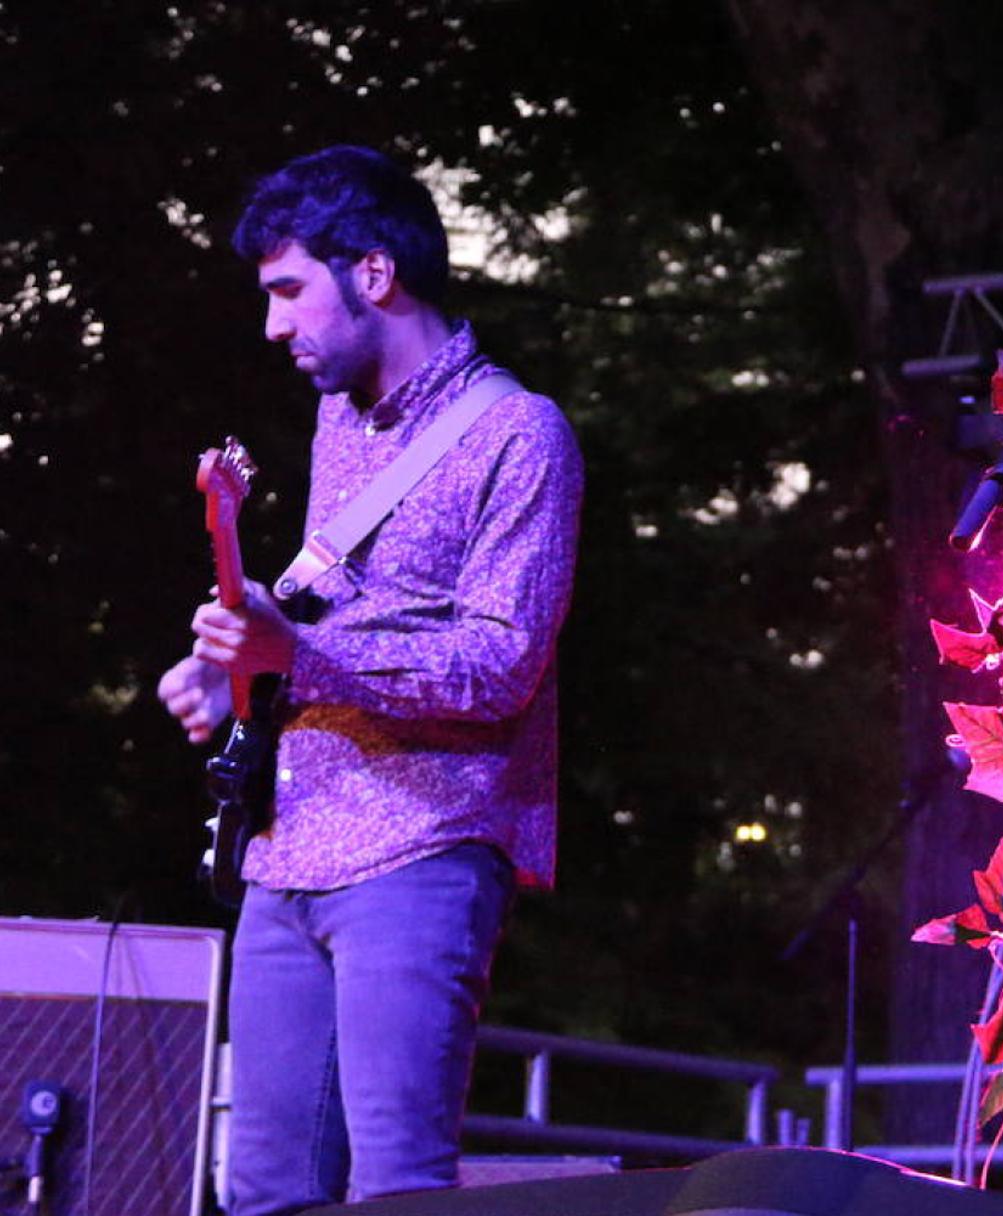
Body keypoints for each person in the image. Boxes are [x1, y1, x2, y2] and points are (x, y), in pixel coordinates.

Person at [155, 145, 582, 1214]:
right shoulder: (340, 420)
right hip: (286, 846)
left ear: (375, 273)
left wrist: (301, 656)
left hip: (422, 848)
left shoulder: (520, 434)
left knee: (397, 1192)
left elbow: (501, 663)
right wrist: (243, 667)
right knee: (260, 1191)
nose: (273, 326)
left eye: (289, 291)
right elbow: (333, 603)